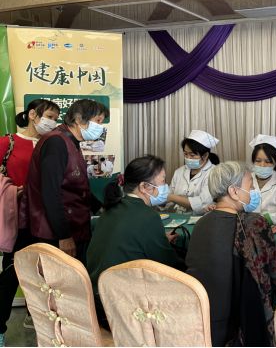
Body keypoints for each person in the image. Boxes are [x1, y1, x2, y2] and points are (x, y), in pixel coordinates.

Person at [186, 161, 276, 346]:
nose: (254, 191)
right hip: (242, 325)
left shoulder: (200, 223)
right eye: (250, 186)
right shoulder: (254, 223)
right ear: (234, 191)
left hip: (202, 319)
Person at [87, 155, 180, 328]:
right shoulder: (148, 217)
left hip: (96, 298)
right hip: (121, 309)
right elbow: (168, 265)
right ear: (144, 187)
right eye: (163, 181)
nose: (165, 187)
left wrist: (158, 238)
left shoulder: (110, 208)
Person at [0, 99, 60, 347]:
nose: (52, 122)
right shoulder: (8, 142)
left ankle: (39, 322)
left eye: (56, 118)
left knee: (50, 275)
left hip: (48, 219)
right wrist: (14, 191)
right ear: (33, 114)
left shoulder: (53, 143)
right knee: (10, 274)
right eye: (49, 116)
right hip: (19, 219)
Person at [20, 99, 108, 263]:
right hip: (54, 233)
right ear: (78, 118)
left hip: (75, 225)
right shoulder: (56, 142)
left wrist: (104, 208)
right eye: (97, 121)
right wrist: (64, 235)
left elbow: (78, 188)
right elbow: (50, 192)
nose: (100, 127)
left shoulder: (72, 143)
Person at [167, 130, 219, 214]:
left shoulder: (214, 173)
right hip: (178, 217)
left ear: (205, 155)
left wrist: (172, 197)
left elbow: (202, 203)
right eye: (185, 154)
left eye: (192, 155)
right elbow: (168, 199)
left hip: (200, 220)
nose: (188, 158)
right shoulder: (179, 172)